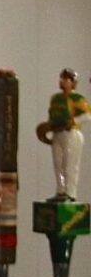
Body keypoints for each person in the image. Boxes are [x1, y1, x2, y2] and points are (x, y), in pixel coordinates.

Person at [36, 68, 87, 201]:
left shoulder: (77, 98)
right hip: (57, 133)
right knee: (58, 164)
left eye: (65, 79)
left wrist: (74, 121)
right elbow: (52, 116)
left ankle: (70, 194)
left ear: (72, 82)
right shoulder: (55, 99)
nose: (62, 81)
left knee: (70, 165)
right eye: (61, 78)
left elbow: (88, 115)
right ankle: (61, 191)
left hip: (71, 133)